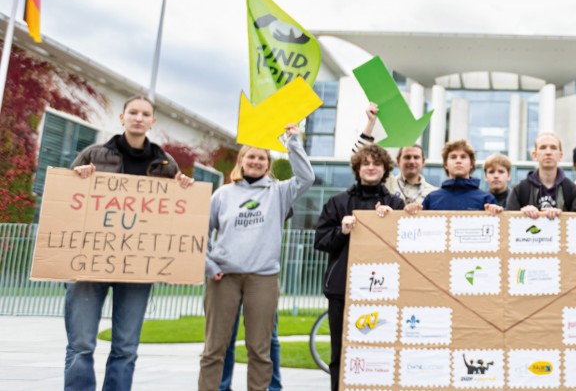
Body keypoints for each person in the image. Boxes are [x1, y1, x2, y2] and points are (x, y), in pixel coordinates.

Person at [63, 95, 196, 391]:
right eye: (132, 112)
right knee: (81, 345)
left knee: (125, 348)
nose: (138, 117)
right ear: (122, 118)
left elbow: (173, 215)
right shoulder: (93, 155)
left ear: (152, 122)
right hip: (88, 264)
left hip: (137, 269)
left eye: (144, 113)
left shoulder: (164, 164)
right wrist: (78, 177)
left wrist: (183, 188)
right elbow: (67, 200)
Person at [199, 125, 314, 391]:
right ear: (241, 161)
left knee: (260, 350)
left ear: (268, 164)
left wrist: (293, 141)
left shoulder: (278, 192)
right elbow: (201, 232)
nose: (256, 161)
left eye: (262, 158)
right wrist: (210, 265)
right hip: (223, 277)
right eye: (250, 156)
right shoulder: (223, 195)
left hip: (262, 278)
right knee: (214, 348)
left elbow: (306, 178)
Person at [314, 142, 405, 391]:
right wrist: (341, 231)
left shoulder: (396, 205)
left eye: (376, 163)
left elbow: (406, 248)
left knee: (379, 353)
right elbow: (320, 241)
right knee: (340, 353)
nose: (371, 167)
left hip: (383, 291)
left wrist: (393, 221)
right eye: (365, 163)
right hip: (343, 290)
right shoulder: (337, 202)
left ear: (385, 169)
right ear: (357, 168)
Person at [356, 102, 438, 205]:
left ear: (423, 162)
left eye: (416, 157)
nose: (412, 161)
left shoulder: (434, 193)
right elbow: (359, 157)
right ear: (398, 161)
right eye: (407, 157)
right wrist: (371, 122)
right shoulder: (385, 183)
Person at [507, 132, 576, 218]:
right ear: (534, 155)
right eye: (543, 147)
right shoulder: (520, 190)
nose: (548, 152)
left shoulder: (572, 190)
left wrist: (562, 216)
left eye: (553, 148)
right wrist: (521, 214)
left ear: (560, 156)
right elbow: (508, 222)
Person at [416, 139, 502, 214]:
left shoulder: (486, 200)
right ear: (446, 164)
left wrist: (496, 214)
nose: (458, 161)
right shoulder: (431, 199)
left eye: (463, 157)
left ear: (471, 164)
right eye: (453, 157)